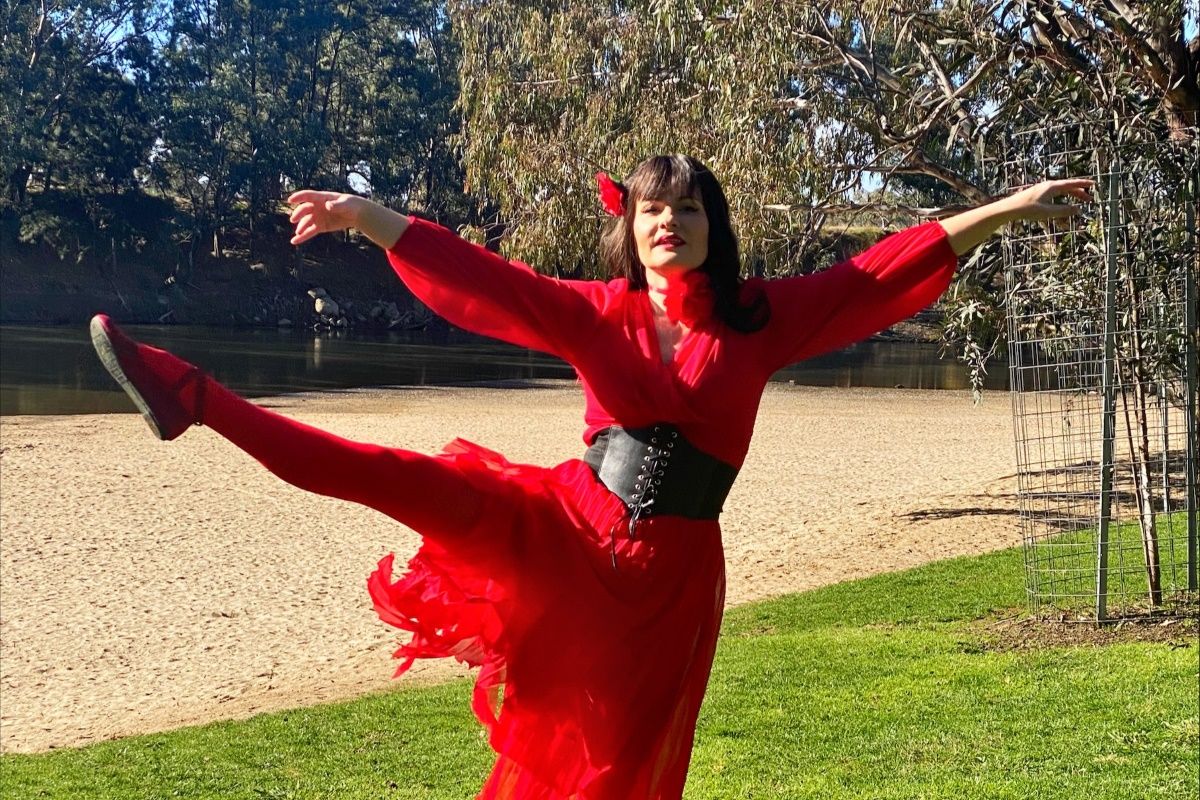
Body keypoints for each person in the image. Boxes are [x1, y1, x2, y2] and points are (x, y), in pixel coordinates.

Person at [91, 155, 1092, 799]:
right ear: (634, 227)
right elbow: (486, 279)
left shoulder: (763, 317)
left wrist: (1008, 207)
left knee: (610, 771)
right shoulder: (593, 311)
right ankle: (195, 396)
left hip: (666, 584)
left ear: (713, 225)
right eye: (655, 209)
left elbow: (880, 269)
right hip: (564, 526)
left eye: (688, 208)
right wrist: (373, 217)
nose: (670, 222)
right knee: (394, 473)